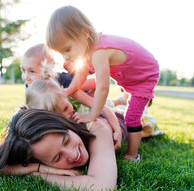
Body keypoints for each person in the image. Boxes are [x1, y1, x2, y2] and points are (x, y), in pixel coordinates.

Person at [46, 6, 160, 162]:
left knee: (131, 116)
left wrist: (92, 115)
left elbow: (103, 87)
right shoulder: (87, 50)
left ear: (84, 34)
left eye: (67, 49)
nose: (65, 56)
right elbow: (81, 75)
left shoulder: (99, 52)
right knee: (129, 110)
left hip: (144, 77)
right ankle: (125, 102)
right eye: (61, 53)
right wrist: (67, 91)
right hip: (131, 77)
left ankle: (132, 156)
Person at [0, 108, 117, 191]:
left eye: (66, 140)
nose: (73, 155)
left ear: (64, 124)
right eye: (57, 158)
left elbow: (103, 187)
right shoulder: (30, 146)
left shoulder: (96, 127)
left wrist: (37, 176)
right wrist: (37, 169)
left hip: (118, 115)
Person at [25, 78, 127, 146]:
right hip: (92, 121)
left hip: (106, 115)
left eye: (65, 108)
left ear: (63, 91)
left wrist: (117, 130)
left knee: (124, 116)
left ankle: (123, 101)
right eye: (59, 117)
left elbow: (104, 109)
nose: (66, 115)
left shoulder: (72, 93)